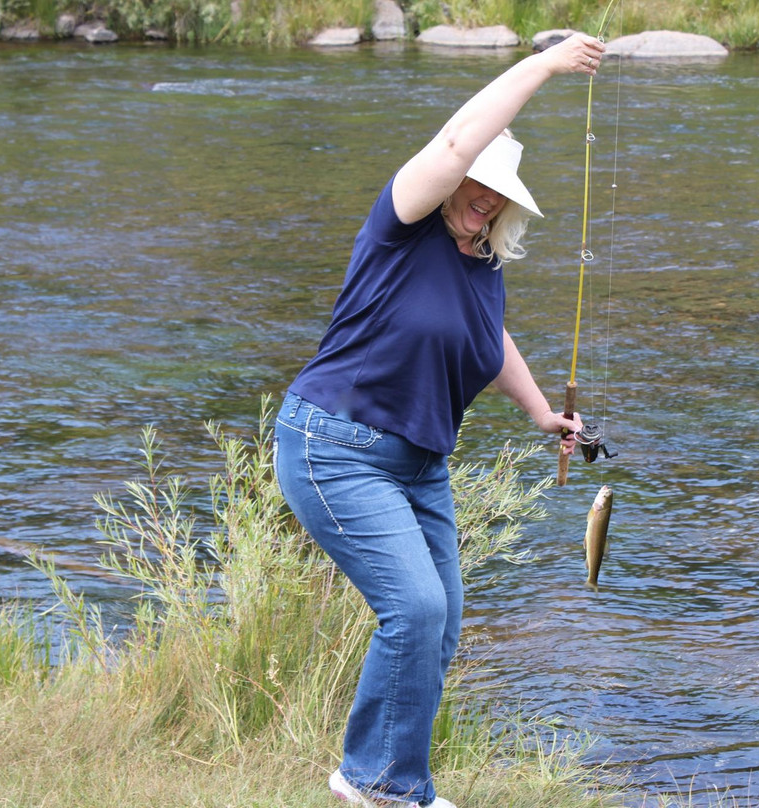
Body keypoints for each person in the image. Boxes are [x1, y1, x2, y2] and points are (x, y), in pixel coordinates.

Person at [273, 32, 605, 808]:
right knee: (414, 609)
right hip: (335, 446)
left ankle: (393, 782)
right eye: (477, 184)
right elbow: (458, 143)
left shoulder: (481, 262)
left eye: (500, 195)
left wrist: (541, 414)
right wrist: (543, 63)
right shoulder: (401, 226)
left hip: (420, 464)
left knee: (441, 621)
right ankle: (380, 786)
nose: (484, 199)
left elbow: (491, 344)